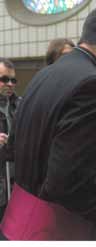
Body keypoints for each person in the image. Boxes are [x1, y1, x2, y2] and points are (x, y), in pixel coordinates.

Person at [0, 4, 96, 240]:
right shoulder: (95, 85)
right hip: (51, 229)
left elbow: (18, 148)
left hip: (17, 220)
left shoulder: (47, 73)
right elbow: (67, 185)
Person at [0, 58, 21, 219]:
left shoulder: (20, 104)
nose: (10, 84)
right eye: (4, 79)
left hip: (15, 184)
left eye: (13, 80)